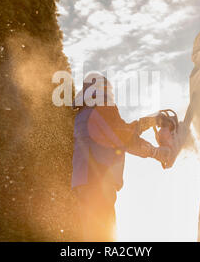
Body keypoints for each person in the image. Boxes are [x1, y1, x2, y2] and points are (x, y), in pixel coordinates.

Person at [71, 72, 172, 241]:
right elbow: (122, 136)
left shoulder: (85, 113)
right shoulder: (102, 108)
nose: (110, 96)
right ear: (99, 90)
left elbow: (120, 133)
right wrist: (156, 152)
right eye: (107, 90)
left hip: (85, 182)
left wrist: (150, 122)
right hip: (98, 180)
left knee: (93, 235)